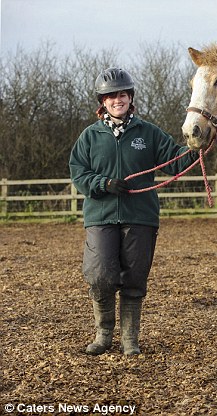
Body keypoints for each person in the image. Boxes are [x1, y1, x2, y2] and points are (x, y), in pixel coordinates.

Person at [69, 67, 197, 356]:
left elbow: (175, 159)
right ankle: (103, 335)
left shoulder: (147, 132)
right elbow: (78, 171)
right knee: (100, 275)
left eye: (123, 95)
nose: (118, 100)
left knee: (135, 278)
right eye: (112, 96)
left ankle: (130, 340)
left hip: (140, 216)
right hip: (101, 216)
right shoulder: (90, 136)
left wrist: (196, 146)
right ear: (103, 101)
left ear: (130, 98)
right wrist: (102, 183)